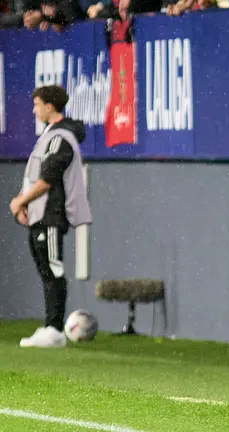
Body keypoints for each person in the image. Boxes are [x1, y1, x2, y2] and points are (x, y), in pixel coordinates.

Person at [12, 85, 92, 348]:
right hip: (40, 214)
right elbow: (35, 176)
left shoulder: (60, 137)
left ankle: (55, 329)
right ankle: (50, 326)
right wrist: (25, 203)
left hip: (52, 216)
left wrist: (21, 201)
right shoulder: (49, 135)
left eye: (37, 105)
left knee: (53, 270)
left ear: (49, 106)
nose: (34, 110)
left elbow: (48, 178)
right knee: (46, 269)